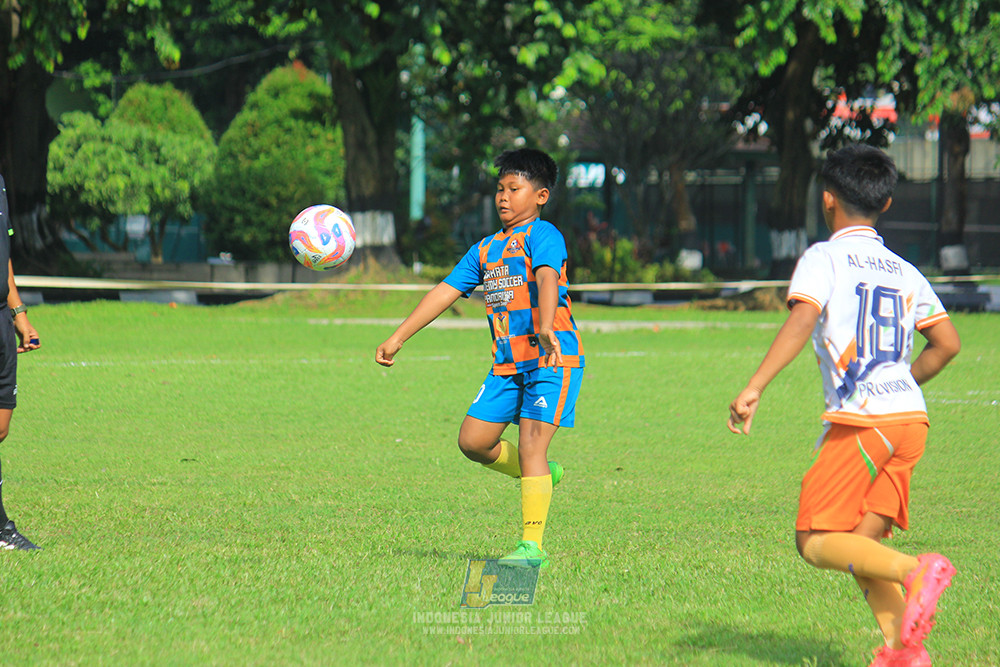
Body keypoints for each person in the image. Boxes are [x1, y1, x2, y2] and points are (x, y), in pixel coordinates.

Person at [727, 145, 961, 666]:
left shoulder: (824, 257)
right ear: (887, 202)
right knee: (860, 548)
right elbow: (947, 344)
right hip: (910, 422)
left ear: (827, 199)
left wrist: (756, 385)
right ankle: (904, 653)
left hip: (865, 420)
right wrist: (904, 380)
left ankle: (916, 570)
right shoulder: (905, 270)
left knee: (813, 540)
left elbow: (802, 319)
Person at [376, 148, 584, 569]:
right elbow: (445, 291)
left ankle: (532, 549)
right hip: (507, 365)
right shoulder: (485, 250)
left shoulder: (544, 236)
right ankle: (542, 476)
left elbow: (546, 276)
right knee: (472, 442)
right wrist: (399, 336)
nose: (503, 197)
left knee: (530, 446)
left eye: (514, 188)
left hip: (552, 359)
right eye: (499, 189)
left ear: (541, 195)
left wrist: (546, 324)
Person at [0, 172, 42, 551]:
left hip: (1, 316)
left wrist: (18, 313)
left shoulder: (0, 183)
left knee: (0, 427)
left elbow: (3, 254)